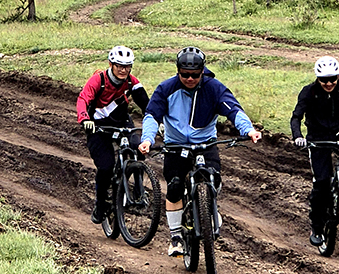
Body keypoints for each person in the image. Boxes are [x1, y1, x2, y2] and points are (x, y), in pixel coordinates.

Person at [138, 46, 262, 257]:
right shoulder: (166, 88)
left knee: (214, 178)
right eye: (185, 75)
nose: (189, 78)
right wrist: (147, 139)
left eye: (195, 75)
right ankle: (176, 236)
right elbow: (152, 115)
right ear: (178, 71)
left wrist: (248, 129)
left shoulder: (213, 88)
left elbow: (233, 109)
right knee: (175, 186)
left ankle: (209, 208)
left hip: (205, 142)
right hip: (176, 145)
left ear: (202, 71)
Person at [290, 56, 339, 247]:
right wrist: (298, 137)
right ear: (317, 79)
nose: (329, 83)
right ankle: (317, 227)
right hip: (317, 138)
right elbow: (296, 118)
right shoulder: (308, 93)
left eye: (332, 79)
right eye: (324, 80)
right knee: (322, 183)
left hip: (337, 134)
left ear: (338, 77)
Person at [77, 45, 150, 224]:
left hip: (122, 121)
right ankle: (100, 204)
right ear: (111, 64)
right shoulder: (98, 80)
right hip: (98, 126)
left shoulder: (132, 82)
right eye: (119, 65)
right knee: (106, 167)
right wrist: (85, 119)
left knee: (139, 148)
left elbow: (147, 105)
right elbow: (83, 99)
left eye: (127, 66)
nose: (123, 70)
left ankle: (138, 187)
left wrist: (158, 120)